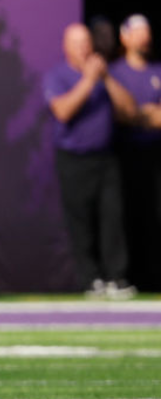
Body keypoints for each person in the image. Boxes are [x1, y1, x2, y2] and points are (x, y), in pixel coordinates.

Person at [44, 23, 138, 300]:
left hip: (105, 157)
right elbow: (62, 111)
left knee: (113, 217)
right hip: (73, 158)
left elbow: (129, 111)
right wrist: (88, 79)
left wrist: (106, 78)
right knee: (80, 221)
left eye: (87, 42)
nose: (84, 48)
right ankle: (91, 278)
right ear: (66, 47)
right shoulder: (57, 76)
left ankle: (116, 277)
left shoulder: (105, 76)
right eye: (77, 43)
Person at [109, 14, 161, 291]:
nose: (145, 38)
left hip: (156, 154)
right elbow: (121, 114)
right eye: (139, 33)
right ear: (125, 37)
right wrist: (144, 114)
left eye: (147, 32)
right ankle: (132, 276)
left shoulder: (157, 71)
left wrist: (136, 114)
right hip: (126, 155)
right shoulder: (115, 72)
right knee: (128, 215)